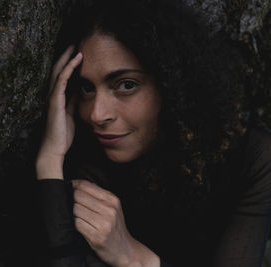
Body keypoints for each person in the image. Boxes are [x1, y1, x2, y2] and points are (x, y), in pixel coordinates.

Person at [35, 0, 271, 266]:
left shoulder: (251, 160)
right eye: (87, 88)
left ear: (172, 86)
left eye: (126, 84)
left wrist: (135, 257)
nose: (97, 114)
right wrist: (50, 161)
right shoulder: (88, 166)